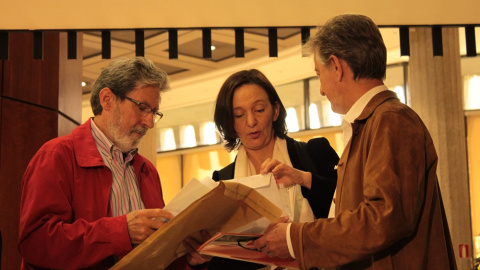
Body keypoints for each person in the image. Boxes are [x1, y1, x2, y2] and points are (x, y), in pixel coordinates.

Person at [252, 14, 457, 270]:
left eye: (319, 73)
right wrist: (303, 180)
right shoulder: (373, 122)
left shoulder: (391, 120)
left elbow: (384, 218)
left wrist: (296, 238)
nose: (321, 90)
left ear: (336, 66)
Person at [18, 57, 208, 270]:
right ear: (107, 99)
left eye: (154, 112)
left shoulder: (147, 170)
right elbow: (36, 244)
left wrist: (188, 259)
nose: (150, 123)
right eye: (143, 108)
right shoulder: (56, 156)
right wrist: (121, 231)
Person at [209, 69, 339, 269]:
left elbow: (350, 214)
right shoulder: (223, 181)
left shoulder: (315, 153)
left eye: (259, 110)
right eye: (239, 114)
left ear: (275, 111)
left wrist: (304, 179)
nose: (251, 122)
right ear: (230, 123)